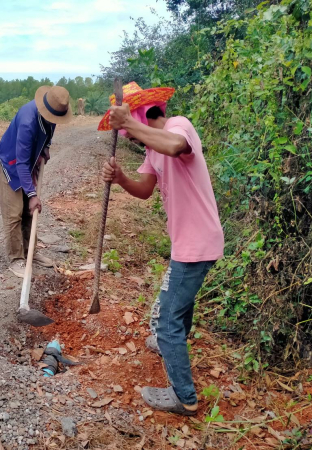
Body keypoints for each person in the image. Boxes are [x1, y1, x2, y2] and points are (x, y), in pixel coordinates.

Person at [101, 82, 224, 415]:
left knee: (166, 319)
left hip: (197, 244)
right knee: (178, 305)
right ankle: (172, 345)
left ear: (139, 113)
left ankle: (184, 397)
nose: (132, 138)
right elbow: (144, 189)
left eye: (131, 131)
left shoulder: (177, 126)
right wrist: (121, 178)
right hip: (188, 242)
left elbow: (176, 146)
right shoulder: (152, 148)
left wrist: (127, 123)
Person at [0, 85, 73, 278]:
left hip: (29, 160)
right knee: (15, 211)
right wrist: (31, 194)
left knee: (30, 212)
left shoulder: (52, 113)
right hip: (12, 162)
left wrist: (45, 148)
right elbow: (21, 163)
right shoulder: (27, 121)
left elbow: (48, 134)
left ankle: (31, 252)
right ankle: (16, 259)